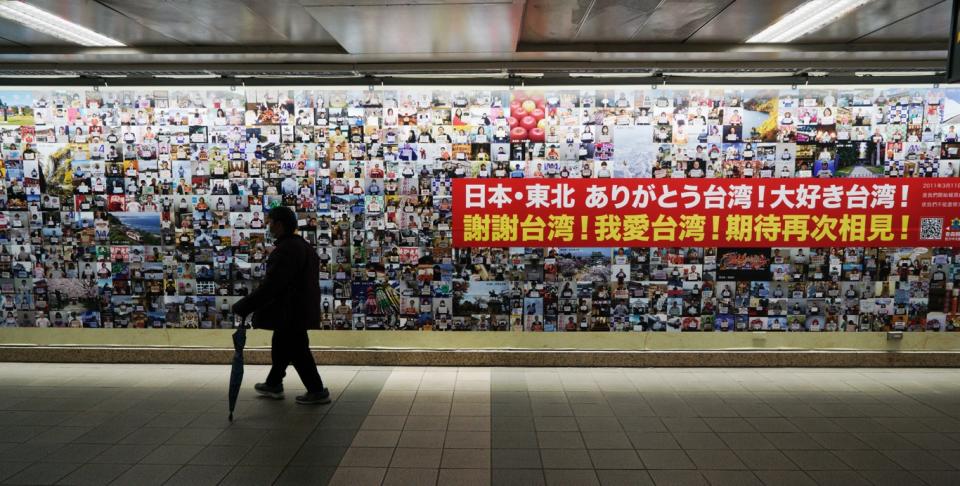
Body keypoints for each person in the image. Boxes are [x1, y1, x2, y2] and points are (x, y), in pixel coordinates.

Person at [232, 206, 330, 404]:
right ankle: (273, 383)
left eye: (269, 222)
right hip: (297, 309)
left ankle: (316, 390)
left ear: (279, 224)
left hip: (290, 310)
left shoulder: (287, 250)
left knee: (298, 350)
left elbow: (272, 285)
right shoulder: (302, 246)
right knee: (282, 346)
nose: (268, 226)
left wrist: (245, 305)